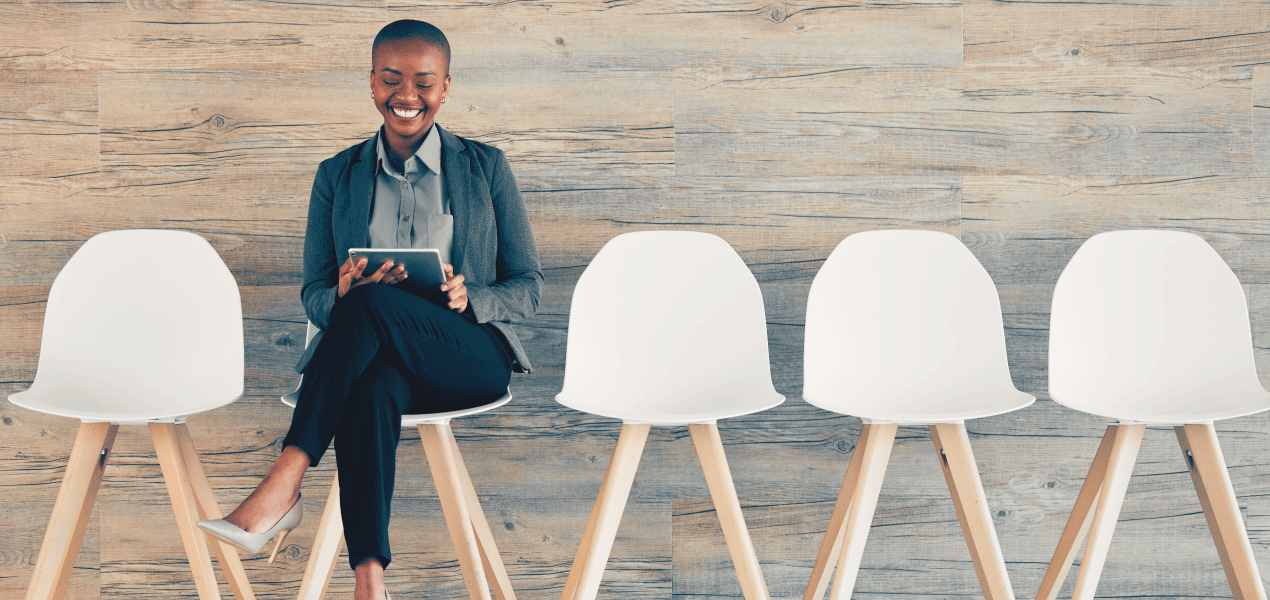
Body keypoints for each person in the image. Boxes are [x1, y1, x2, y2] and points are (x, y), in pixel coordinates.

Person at [197, 19, 542, 600]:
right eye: (391, 80)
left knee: (377, 300)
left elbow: (529, 286)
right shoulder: (337, 175)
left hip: (466, 355)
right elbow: (312, 292)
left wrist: (472, 296)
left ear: (447, 86)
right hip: (371, 355)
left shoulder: (486, 168)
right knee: (372, 383)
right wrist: (340, 295)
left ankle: (285, 479)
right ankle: (369, 582)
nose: (406, 96)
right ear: (372, 84)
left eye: (424, 82)